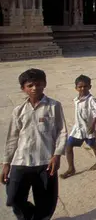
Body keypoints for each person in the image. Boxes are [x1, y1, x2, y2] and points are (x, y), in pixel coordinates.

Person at [2, 69, 68, 220]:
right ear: (23, 88)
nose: (34, 88)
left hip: (45, 161)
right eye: (30, 85)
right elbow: (12, 138)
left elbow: (62, 132)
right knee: (14, 198)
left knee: (46, 201)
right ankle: (28, 215)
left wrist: (57, 155)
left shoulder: (54, 106)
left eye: (38, 84)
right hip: (21, 161)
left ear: (44, 84)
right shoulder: (18, 110)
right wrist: (6, 163)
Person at [60, 75, 96, 179]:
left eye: (85, 86)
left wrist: (93, 126)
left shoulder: (92, 100)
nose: (82, 89)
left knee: (92, 145)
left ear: (90, 87)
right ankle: (71, 168)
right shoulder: (76, 99)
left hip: (88, 128)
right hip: (78, 129)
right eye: (80, 87)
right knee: (68, 146)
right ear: (76, 88)